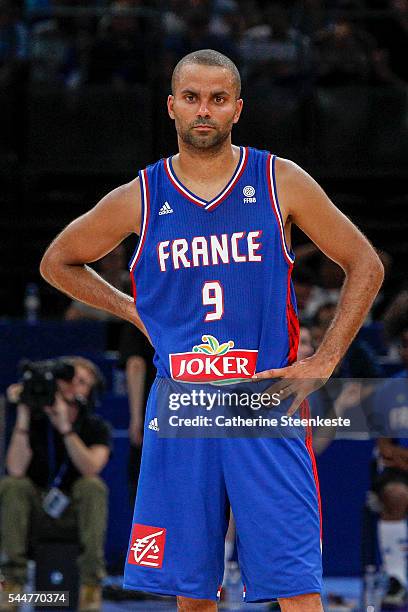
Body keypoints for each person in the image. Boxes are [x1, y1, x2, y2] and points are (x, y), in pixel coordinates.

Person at [39, 49, 384, 611]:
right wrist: (130, 309)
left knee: (297, 590)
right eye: (193, 98)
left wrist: (322, 363)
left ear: (237, 109)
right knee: (191, 592)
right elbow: (58, 261)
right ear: (171, 106)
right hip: (182, 407)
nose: (205, 110)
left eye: (218, 99)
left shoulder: (279, 180)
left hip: (260, 401)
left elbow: (365, 264)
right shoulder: (141, 196)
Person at [0, 357, 111, 612]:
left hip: (74, 514)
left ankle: (91, 587)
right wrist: (24, 415)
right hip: (34, 514)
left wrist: (65, 428)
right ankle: (12, 585)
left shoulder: (95, 427)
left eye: (82, 383)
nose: (73, 386)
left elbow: (91, 467)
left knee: (92, 486)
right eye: (69, 379)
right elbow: (15, 468)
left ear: (90, 392)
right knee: (13, 486)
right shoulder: (35, 422)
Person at [370, 327, 408, 607]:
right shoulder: (389, 389)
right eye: (405, 345)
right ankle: (397, 578)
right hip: (399, 470)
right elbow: (384, 448)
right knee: (395, 494)